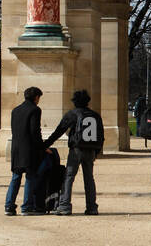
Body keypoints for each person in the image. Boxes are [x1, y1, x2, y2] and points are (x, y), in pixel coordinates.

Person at [44, 90, 103, 216]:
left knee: (69, 176)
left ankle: (65, 205)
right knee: (89, 178)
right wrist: (96, 151)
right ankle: (92, 207)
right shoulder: (95, 115)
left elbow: (59, 131)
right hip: (91, 148)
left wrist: (45, 145)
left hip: (77, 149)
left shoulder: (73, 114)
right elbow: (101, 135)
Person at [7, 87, 45, 215]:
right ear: (36, 97)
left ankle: (9, 206)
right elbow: (35, 131)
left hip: (16, 148)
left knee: (16, 177)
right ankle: (27, 206)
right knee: (30, 177)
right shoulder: (35, 110)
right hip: (29, 149)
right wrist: (43, 147)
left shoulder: (15, 110)